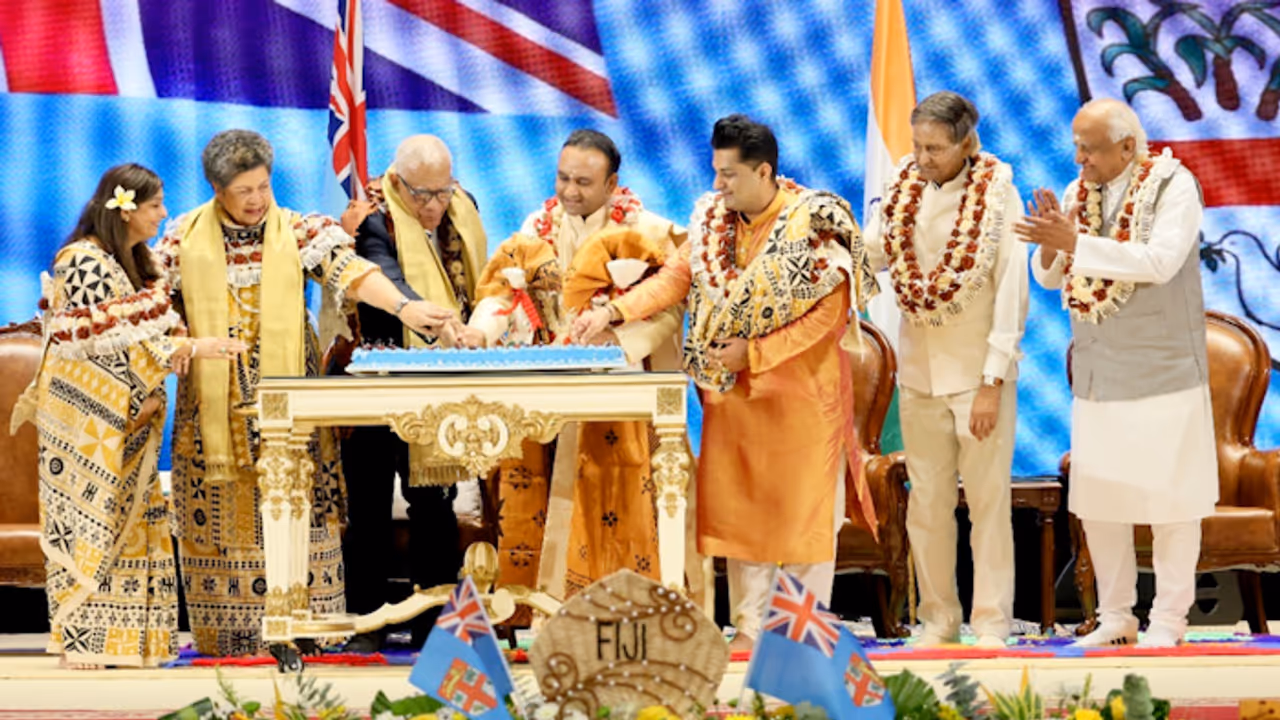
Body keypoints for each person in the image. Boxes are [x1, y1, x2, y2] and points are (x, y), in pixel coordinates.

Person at [574, 115, 880, 650]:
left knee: (804, 522)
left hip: (802, 401)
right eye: (715, 172)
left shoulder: (816, 222)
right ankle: (751, 631)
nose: (718, 185)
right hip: (732, 399)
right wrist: (613, 314)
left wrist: (753, 352)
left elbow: (828, 316)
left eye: (730, 175)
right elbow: (675, 278)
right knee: (743, 521)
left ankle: (804, 639)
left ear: (764, 172)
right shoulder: (715, 220)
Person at [156, 129, 457, 656]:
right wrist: (180, 339)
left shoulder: (298, 232)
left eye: (263, 186)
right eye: (244, 190)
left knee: (302, 511)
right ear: (216, 188)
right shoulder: (182, 240)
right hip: (213, 410)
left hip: (290, 406)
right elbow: (156, 310)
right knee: (224, 518)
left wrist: (406, 308)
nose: (256, 200)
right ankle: (234, 640)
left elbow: (354, 273)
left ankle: (306, 629)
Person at [16, 164, 243, 668]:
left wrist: (176, 349)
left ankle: (131, 640)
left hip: (129, 418)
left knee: (135, 522)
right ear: (126, 209)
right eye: (156, 205)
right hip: (90, 420)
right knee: (93, 522)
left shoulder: (131, 262)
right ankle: (86, 640)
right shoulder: (84, 261)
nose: (163, 214)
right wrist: (186, 347)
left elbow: (142, 339)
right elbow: (94, 348)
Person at [1016, 98, 1217, 648]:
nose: (1079, 159)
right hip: (1100, 373)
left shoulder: (1174, 185)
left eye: (1090, 149)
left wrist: (1074, 242)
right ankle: (1115, 618)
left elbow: (1158, 261)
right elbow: (1052, 277)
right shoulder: (1084, 188)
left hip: (1164, 370)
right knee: (1101, 501)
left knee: (1172, 503)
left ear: (1128, 146)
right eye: (1076, 147)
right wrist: (1055, 244)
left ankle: (1170, 622)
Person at [464, 129, 691, 607]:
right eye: (563, 178)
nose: (569, 191)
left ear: (612, 185)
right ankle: (533, 610)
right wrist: (479, 334)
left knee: (617, 497)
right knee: (532, 494)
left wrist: (617, 339)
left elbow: (669, 309)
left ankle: (620, 609)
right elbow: (502, 293)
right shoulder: (536, 227)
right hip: (544, 387)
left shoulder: (648, 232)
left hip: (617, 385)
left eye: (584, 182)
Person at [863, 92, 1027, 647]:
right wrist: (831, 240)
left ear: (967, 142)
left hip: (979, 376)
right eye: (918, 146)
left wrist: (992, 381)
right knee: (927, 507)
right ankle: (938, 618)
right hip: (917, 375)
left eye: (936, 148)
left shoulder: (1000, 195)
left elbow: (1011, 293)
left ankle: (991, 621)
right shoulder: (905, 187)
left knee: (986, 504)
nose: (924, 157)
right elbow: (882, 250)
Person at [330, 135, 487, 652]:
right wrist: (433, 319)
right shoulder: (373, 220)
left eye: (442, 193)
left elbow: (472, 283)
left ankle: (436, 629)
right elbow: (389, 278)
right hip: (372, 382)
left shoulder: (461, 208)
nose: (435, 207)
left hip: (433, 381)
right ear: (397, 182)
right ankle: (367, 625)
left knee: (434, 506)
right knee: (369, 508)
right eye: (423, 195)